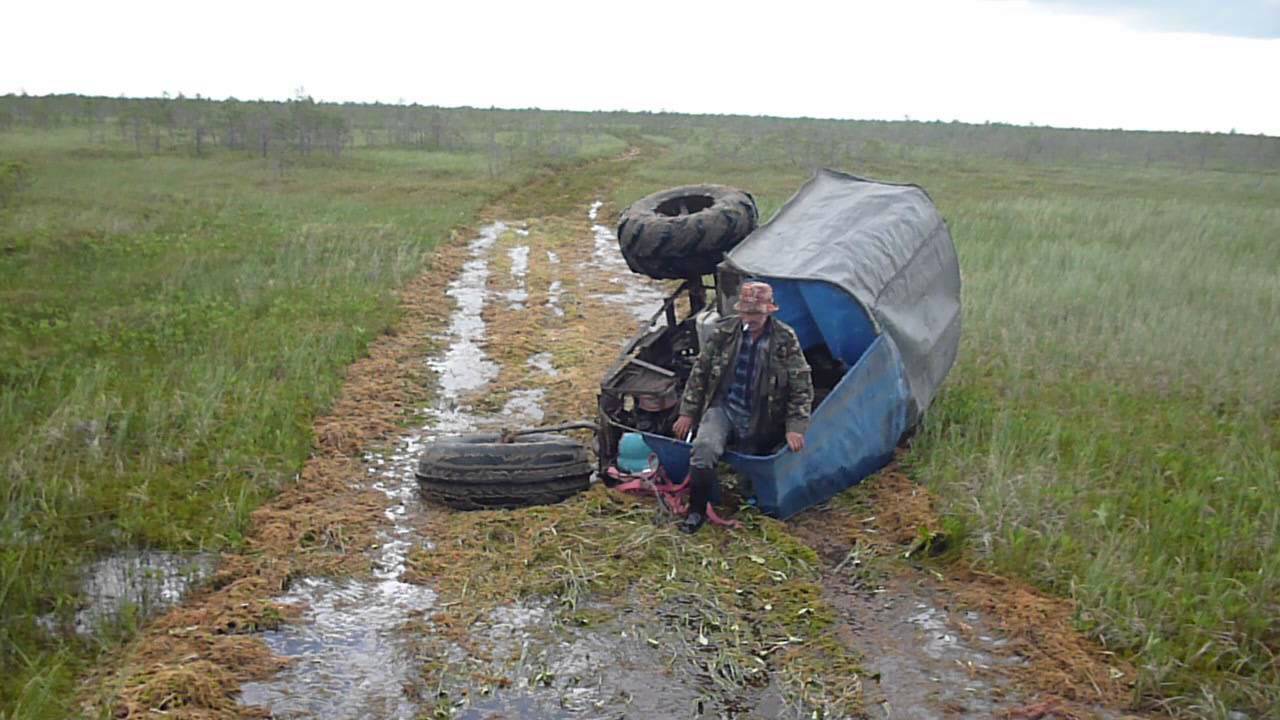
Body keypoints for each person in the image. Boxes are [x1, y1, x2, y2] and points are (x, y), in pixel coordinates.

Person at [671, 281, 813, 534]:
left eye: (756, 313)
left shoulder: (784, 339)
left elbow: (801, 385)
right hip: (724, 408)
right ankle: (696, 511)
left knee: (751, 471)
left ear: (770, 310)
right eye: (746, 312)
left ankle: (751, 505)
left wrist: (796, 426)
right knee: (703, 449)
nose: (751, 318)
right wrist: (688, 412)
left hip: (763, 416)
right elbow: (700, 372)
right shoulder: (724, 332)